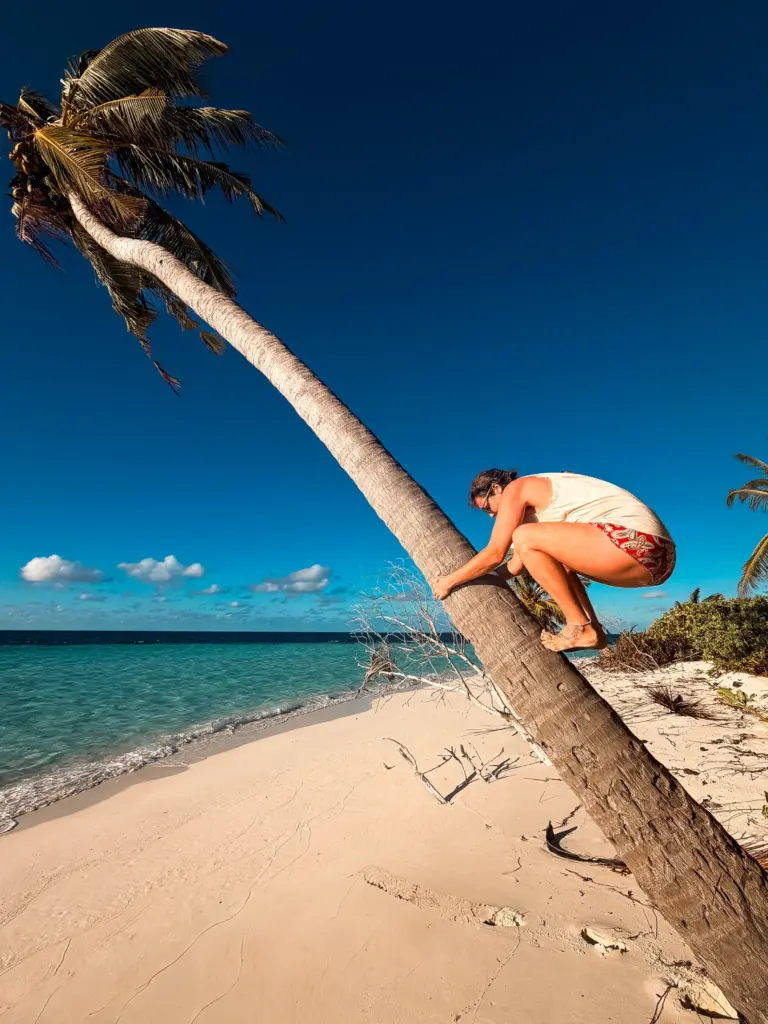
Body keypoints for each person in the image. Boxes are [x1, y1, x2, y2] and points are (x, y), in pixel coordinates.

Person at [431, 469, 675, 652]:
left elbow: (495, 553)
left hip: (636, 540)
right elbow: (514, 567)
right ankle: (594, 631)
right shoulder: (536, 523)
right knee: (555, 559)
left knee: (523, 536)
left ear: (496, 488)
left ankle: (577, 625)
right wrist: (476, 578)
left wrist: (449, 582)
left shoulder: (518, 488)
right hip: (659, 560)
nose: (492, 515)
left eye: (487, 507)